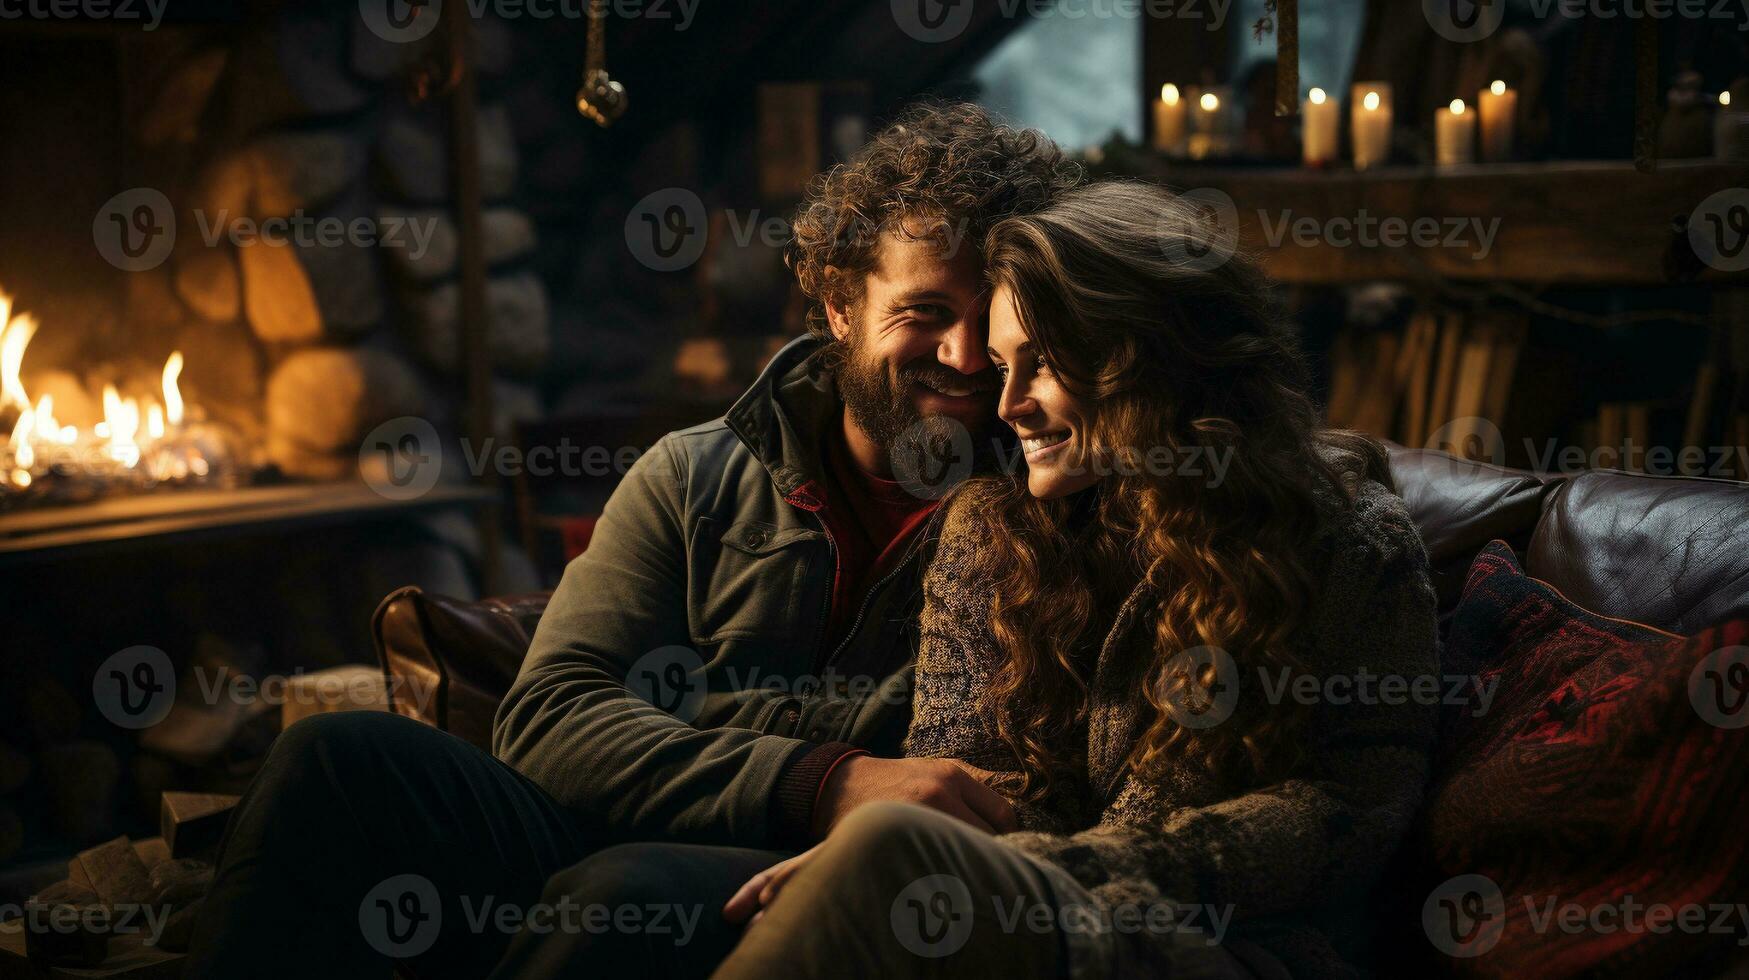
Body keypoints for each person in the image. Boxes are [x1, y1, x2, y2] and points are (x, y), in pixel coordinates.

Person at [183, 102, 1081, 980]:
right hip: (629, 824)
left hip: (790, 874)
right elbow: (547, 721)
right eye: (924, 312)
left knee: (622, 891)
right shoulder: (693, 475)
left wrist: (693, 728)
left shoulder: (1047, 502)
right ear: (841, 305)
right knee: (336, 759)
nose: (966, 358)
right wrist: (828, 777)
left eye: (992, 321)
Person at [709, 181, 1441, 979]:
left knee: (888, 854)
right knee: (884, 860)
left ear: (1156, 355)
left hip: (1237, 949)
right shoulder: (993, 530)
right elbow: (970, 780)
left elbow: (1341, 816)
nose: (1010, 404)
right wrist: (948, 866)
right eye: (1000, 366)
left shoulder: (1342, 539)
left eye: (1045, 364)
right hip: (1024, 918)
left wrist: (1034, 875)